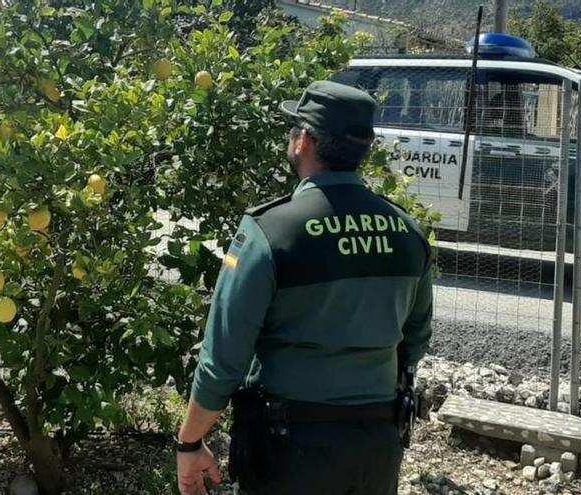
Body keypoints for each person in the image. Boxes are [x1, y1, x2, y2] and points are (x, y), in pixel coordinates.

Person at [174, 80, 434, 495]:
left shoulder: (270, 231)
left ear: (304, 142)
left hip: (290, 450)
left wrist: (188, 441)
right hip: (376, 446)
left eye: (293, 128)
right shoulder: (406, 230)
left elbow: (223, 359)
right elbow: (415, 339)